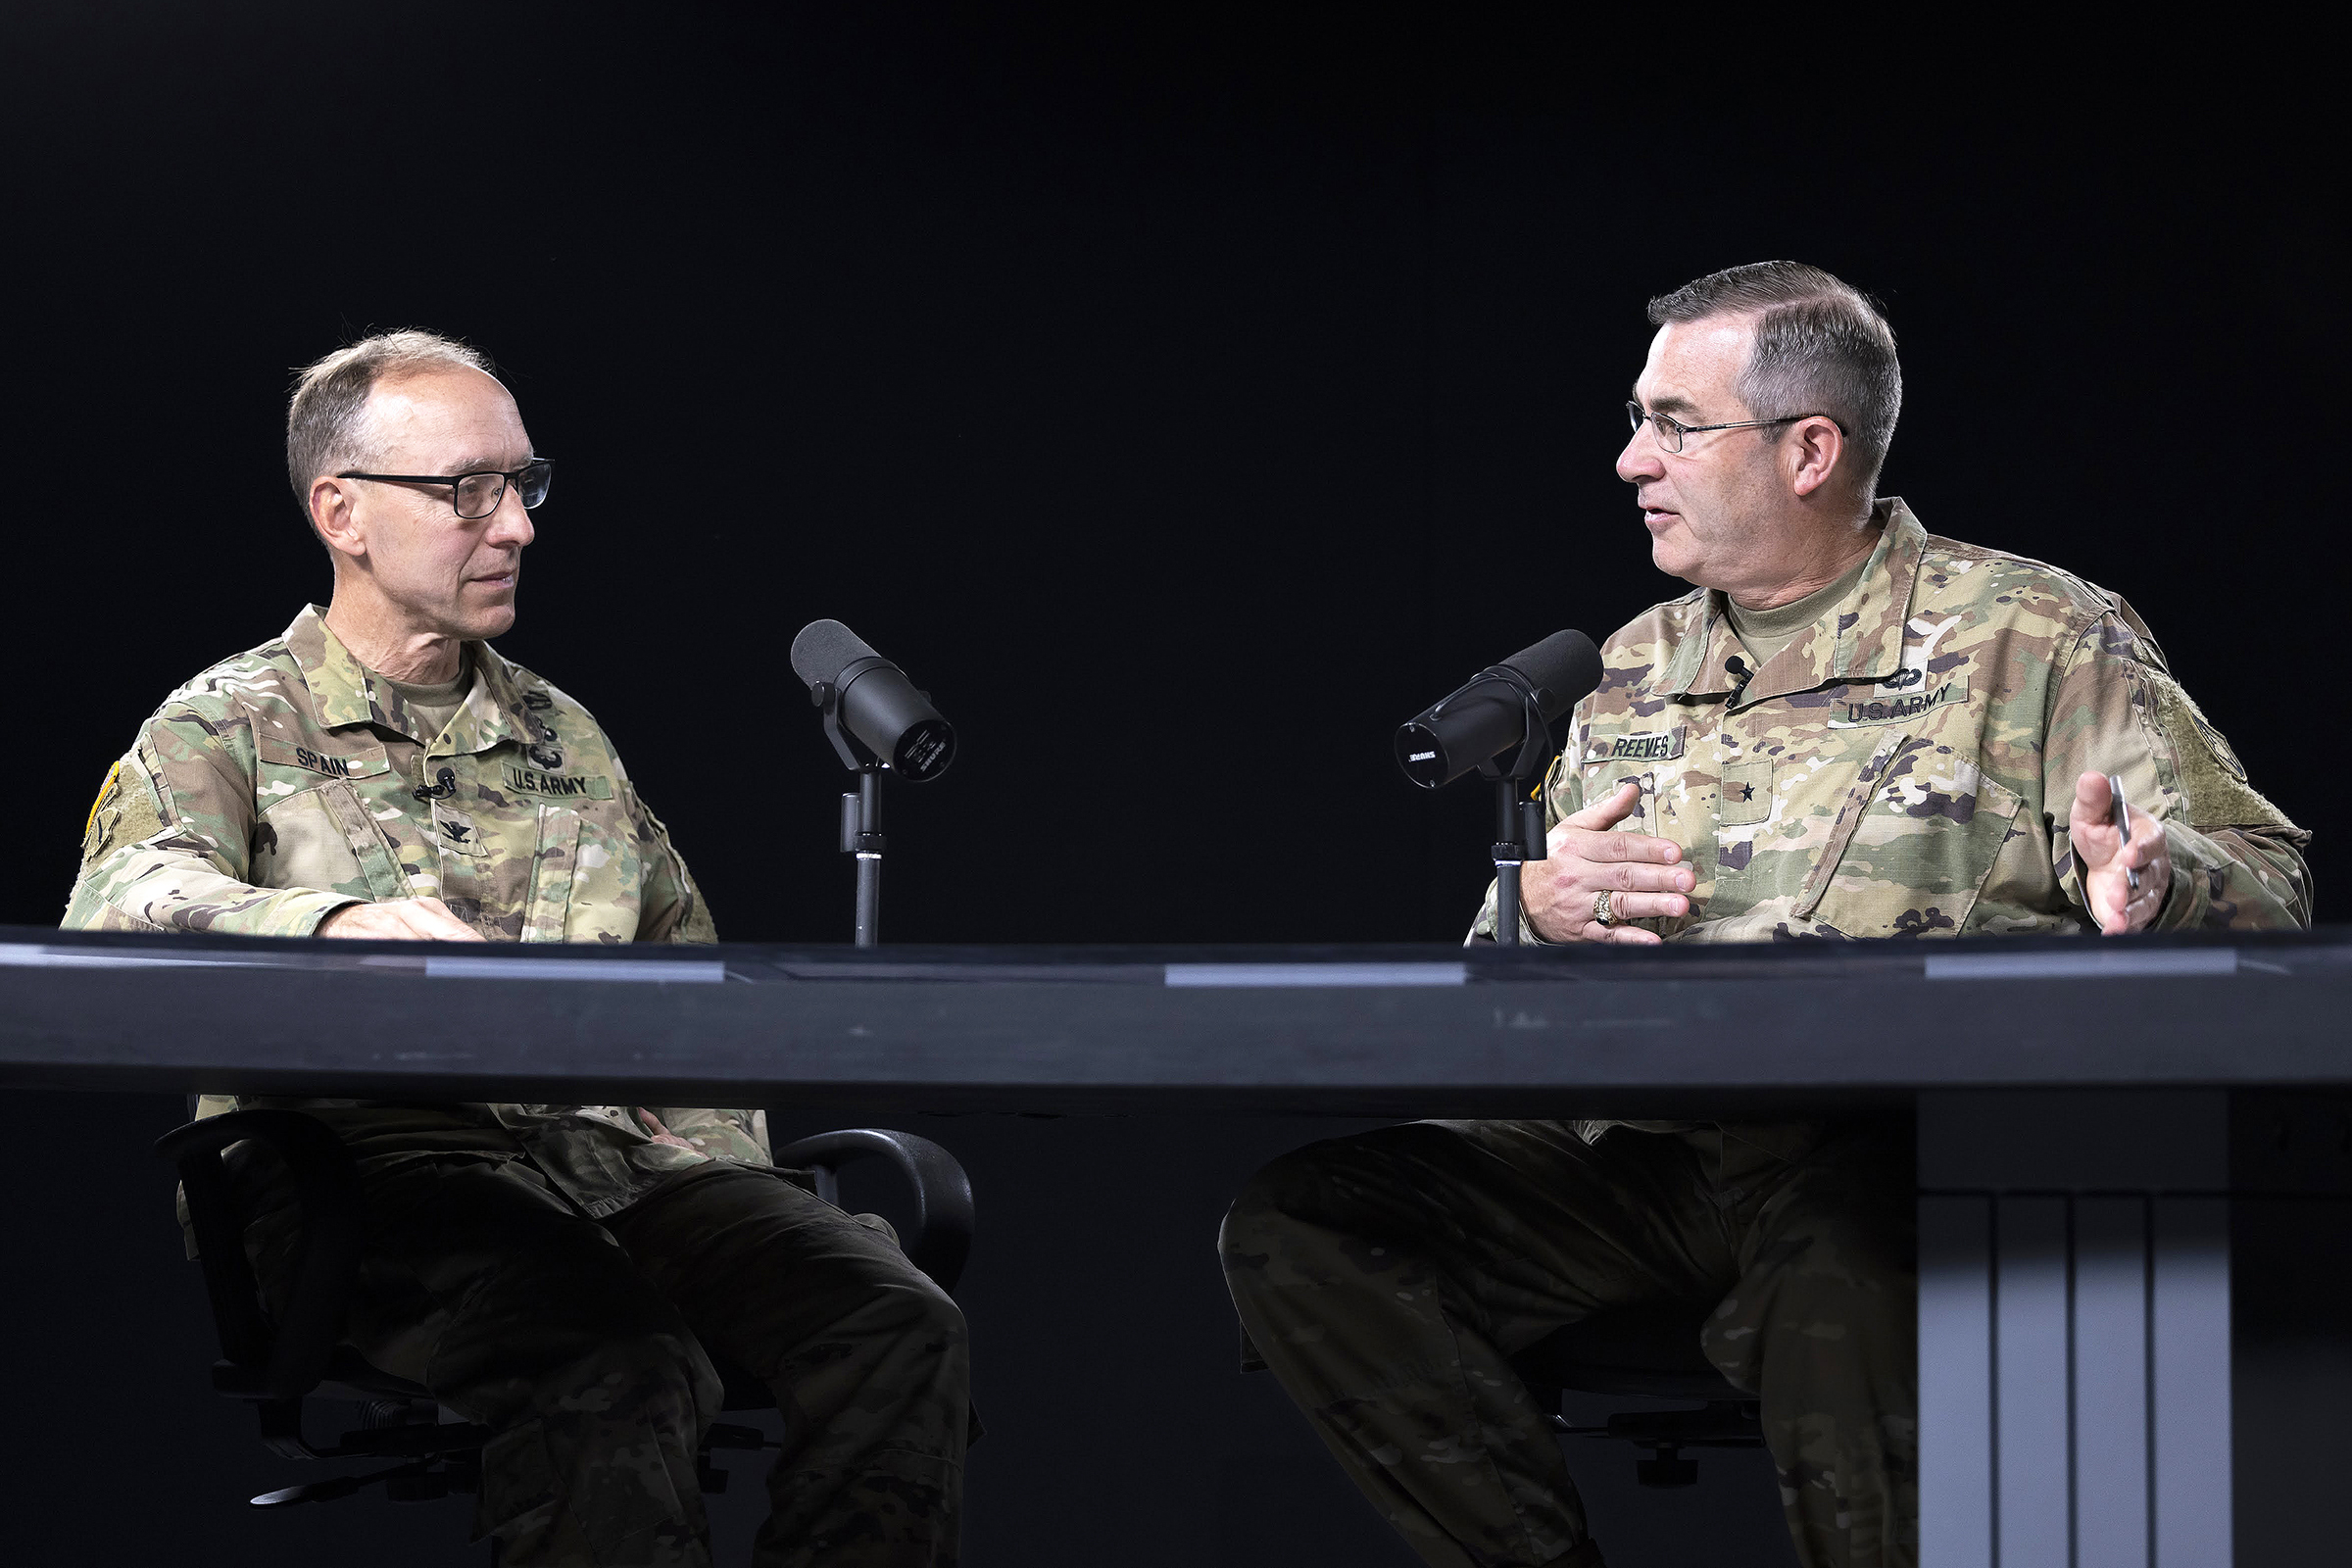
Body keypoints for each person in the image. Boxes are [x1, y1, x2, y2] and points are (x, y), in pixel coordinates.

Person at [1219, 263, 2311, 1568]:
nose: (1631, 460)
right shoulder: (1629, 669)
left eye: (1674, 424)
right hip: (1645, 1160)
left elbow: (2264, 876)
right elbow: (1494, 969)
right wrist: (1534, 919)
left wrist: (2158, 883)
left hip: (1894, 1149)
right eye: (1635, 421)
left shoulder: (2033, 635)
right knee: (1309, 1224)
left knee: (1849, 1270)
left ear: (1809, 449)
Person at [66, 331, 968, 1568]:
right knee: (616, 1362)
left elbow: (678, 954)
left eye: (523, 485)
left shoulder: (562, 733)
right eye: (465, 490)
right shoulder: (231, 721)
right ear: (344, 512)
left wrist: (717, 1172)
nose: (516, 527)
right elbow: (119, 900)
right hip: (374, 1180)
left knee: (893, 1320)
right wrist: (328, 923)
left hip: (611, 1165)